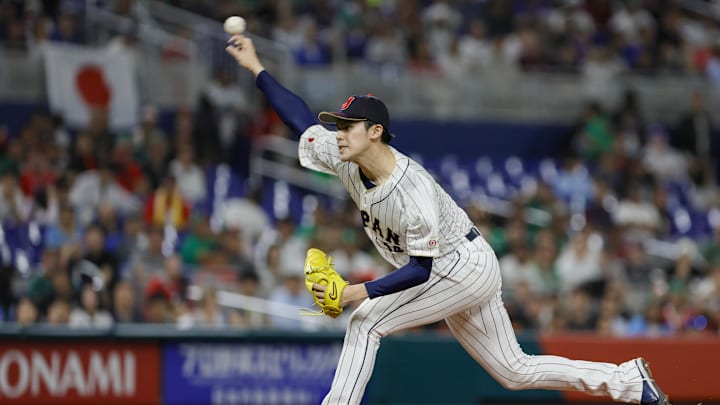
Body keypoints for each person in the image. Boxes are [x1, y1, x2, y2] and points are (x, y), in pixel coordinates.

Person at [225, 34, 670, 405]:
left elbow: (422, 269)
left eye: (348, 126)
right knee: (515, 371)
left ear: (374, 131)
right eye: (338, 126)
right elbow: (299, 119)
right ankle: (630, 381)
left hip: (459, 266)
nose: (338, 134)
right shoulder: (343, 154)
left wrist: (356, 292)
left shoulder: (411, 190)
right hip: (453, 267)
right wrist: (257, 68)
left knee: (366, 321)